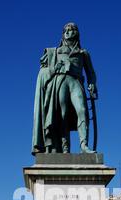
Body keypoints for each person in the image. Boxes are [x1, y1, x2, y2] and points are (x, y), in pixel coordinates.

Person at [32, 22, 98, 154]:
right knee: (61, 115)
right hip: (60, 81)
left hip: (76, 82)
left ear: (77, 33)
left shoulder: (83, 53)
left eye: (72, 29)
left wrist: (92, 83)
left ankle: (84, 145)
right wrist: (52, 69)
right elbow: (43, 70)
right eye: (66, 30)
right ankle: (65, 147)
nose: (68, 32)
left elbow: (91, 72)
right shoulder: (55, 52)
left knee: (82, 110)